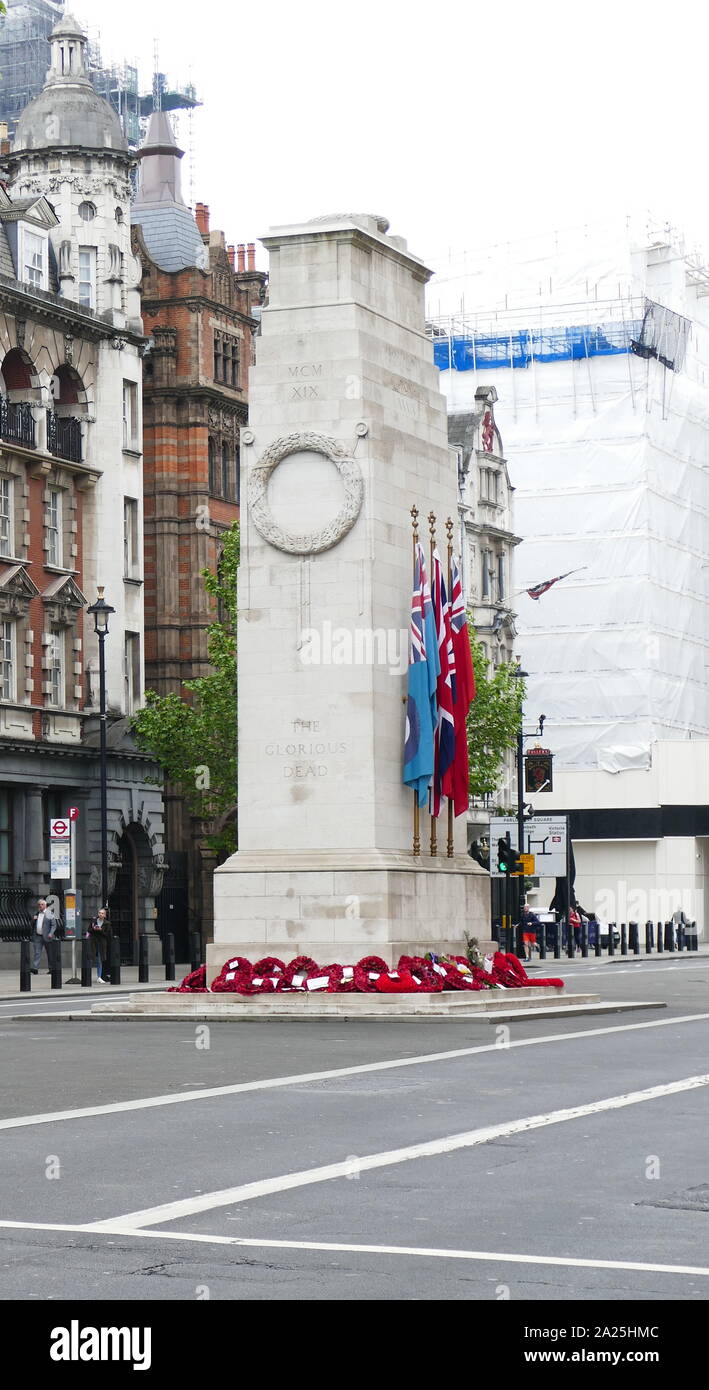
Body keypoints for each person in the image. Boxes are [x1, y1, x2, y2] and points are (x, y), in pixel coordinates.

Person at [31, 897, 58, 974]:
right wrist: (33, 919)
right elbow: (32, 924)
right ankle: (35, 968)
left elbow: (54, 925)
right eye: (39, 904)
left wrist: (51, 933)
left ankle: (51, 969)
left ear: (45, 906)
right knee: (37, 953)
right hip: (38, 936)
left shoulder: (49, 913)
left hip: (47, 936)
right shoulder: (36, 913)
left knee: (50, 953)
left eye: (42, 904)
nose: (40, 906)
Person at [87, 907, 110, 983]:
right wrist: (94, 928)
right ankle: (87, 975)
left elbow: (107, 934)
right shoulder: (93, 921)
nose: (100, 914)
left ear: (105, 915)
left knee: (100, 960)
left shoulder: (107, 923)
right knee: (91, 958)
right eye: (99, 913)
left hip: (101, 943)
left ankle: (99, 976)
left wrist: (101, 930)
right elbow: (89, 930)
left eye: (102, 913)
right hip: (93, 942)